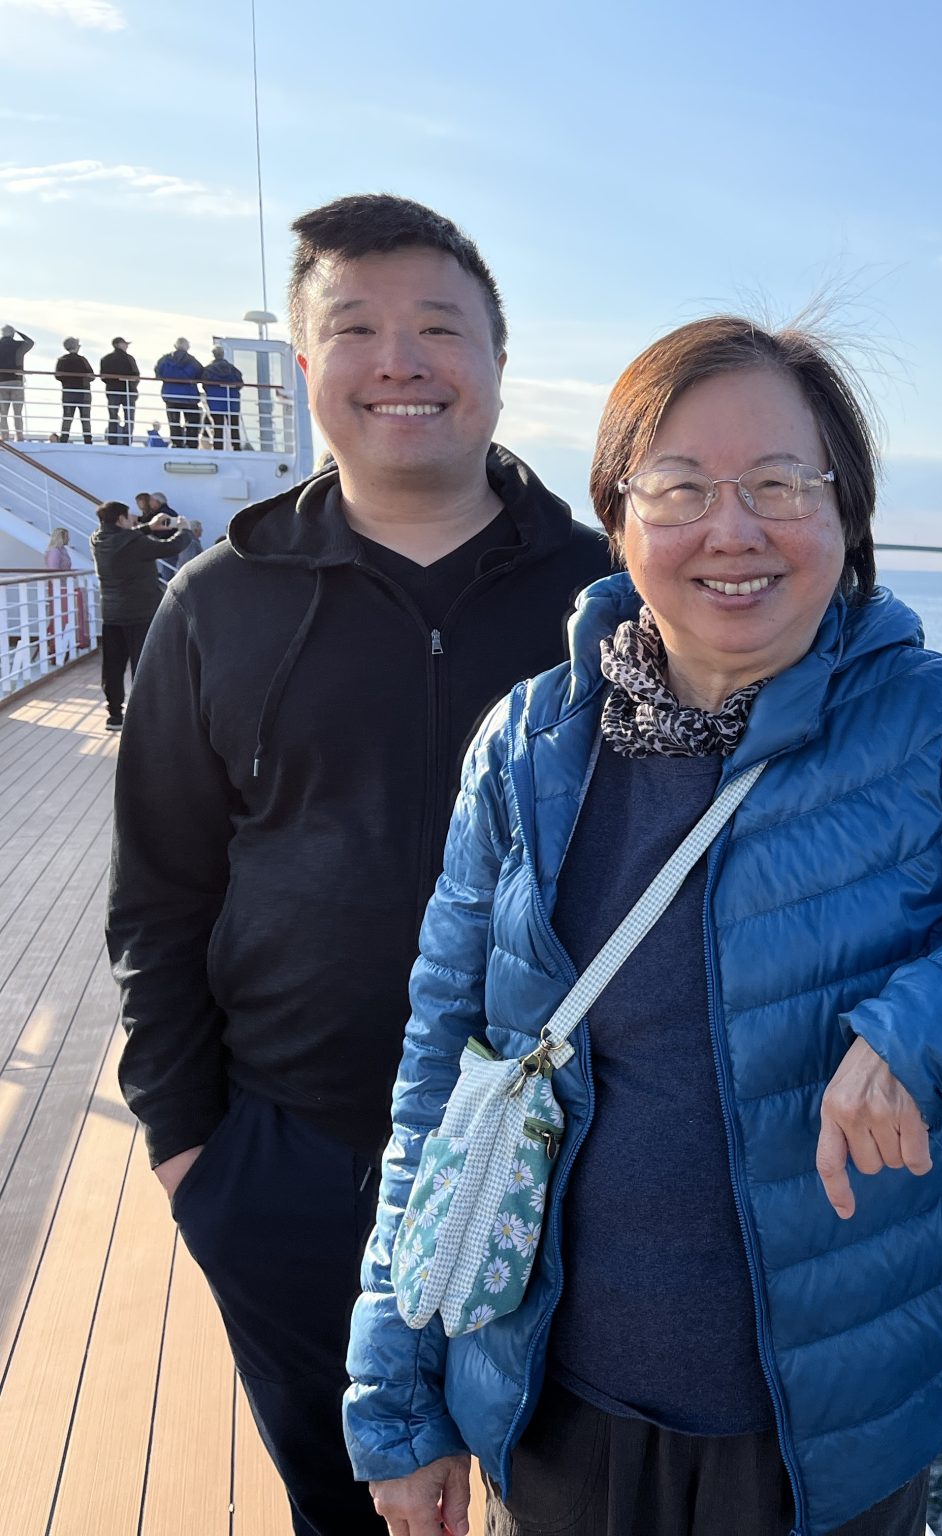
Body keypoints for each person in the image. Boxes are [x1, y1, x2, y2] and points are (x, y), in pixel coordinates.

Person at [343, 316, 942, 1536]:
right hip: (547, 1403)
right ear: (617, 517)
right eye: (680, 487)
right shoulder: (530, 743)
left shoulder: (933, 726)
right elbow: (440, 1075)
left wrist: (930, 1023)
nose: (734, 529)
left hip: (827, 1432)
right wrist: (397, 1398)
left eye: (778, 483)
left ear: (844, 514)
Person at [107, 193, 613, 1536]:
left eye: (439, 326)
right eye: (355, 329)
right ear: (303, 365)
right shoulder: (218, 601)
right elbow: (158, 893)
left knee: (573, 1504)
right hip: (295, 1160)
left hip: (581, 1163)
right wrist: (193, 1154)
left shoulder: (611, 600)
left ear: (497, 360)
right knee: (349, 1512)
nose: (400, 361)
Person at [89, 499, 183, 729]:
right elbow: (170, 547)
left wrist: (149, 527)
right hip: (140, 614)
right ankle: (144, 716)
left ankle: (114, 715)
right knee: (143, 666)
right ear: (120, 519)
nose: (133, 519)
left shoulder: (97, 539)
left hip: (111, 615)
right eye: (129, 516)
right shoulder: (133, 542)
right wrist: (185, 530)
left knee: (113, 667)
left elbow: (124, 539)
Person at [42, 526, 90, 655]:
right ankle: (56, 645)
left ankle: (65, 642)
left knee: (66, 615)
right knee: (60, 615)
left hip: (64, 586)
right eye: (67, 536)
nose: (69, 539)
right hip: (59, 587)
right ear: (61, 537)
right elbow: (53, 570)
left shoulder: (62, 550)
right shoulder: (55, 552)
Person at [154, 337, 205, 447]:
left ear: (175, 346)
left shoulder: (165, 360)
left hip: (171, 396)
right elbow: (201, 375)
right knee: (192, 422)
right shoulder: (193, 361)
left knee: (174, 422)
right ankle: (191, 444)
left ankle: (176, 443)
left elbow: (158, 373)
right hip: (189, 397)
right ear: (187, 347)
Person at [202, 345, 246, 450]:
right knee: (234, 425)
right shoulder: (233, 369)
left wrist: (212, 392)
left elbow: (205, 384)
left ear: (213, 355)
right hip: (231, 400)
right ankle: (236, 447)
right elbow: (240, 383)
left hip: (216, 401)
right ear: (223, 354)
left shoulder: (208, 370)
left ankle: (218, 447)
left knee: (218, 426)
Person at [54, 337, 95, 443]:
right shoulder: (82, 360)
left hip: (68, 392)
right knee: (85, 417)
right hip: (83, 392)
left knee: (67, 417)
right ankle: (88, 440)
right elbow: (91, 376)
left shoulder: (62, 360)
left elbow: (58, 376)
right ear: (76, 346)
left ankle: (64, 439)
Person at [101, 336, 141, 445]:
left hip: (113, 390)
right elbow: (136, 376)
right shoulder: (129, 359)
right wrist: (130, 383)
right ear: (118, 345)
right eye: (125, 343)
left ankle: (113, 440)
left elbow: (104, 377)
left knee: (113, 415)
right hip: (128, 391)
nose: (127, 346)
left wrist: (115, 381)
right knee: (129, 416)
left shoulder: (106, 359)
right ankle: (127, 440)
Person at [0, 324, 32, 440]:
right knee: (17, 412)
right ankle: (19, 436)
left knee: (3, 413)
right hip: (16, 381)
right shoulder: (19, 345)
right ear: (12, 334)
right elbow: (30, 342)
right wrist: (19, 332)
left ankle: (4, 436)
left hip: (1, 382)